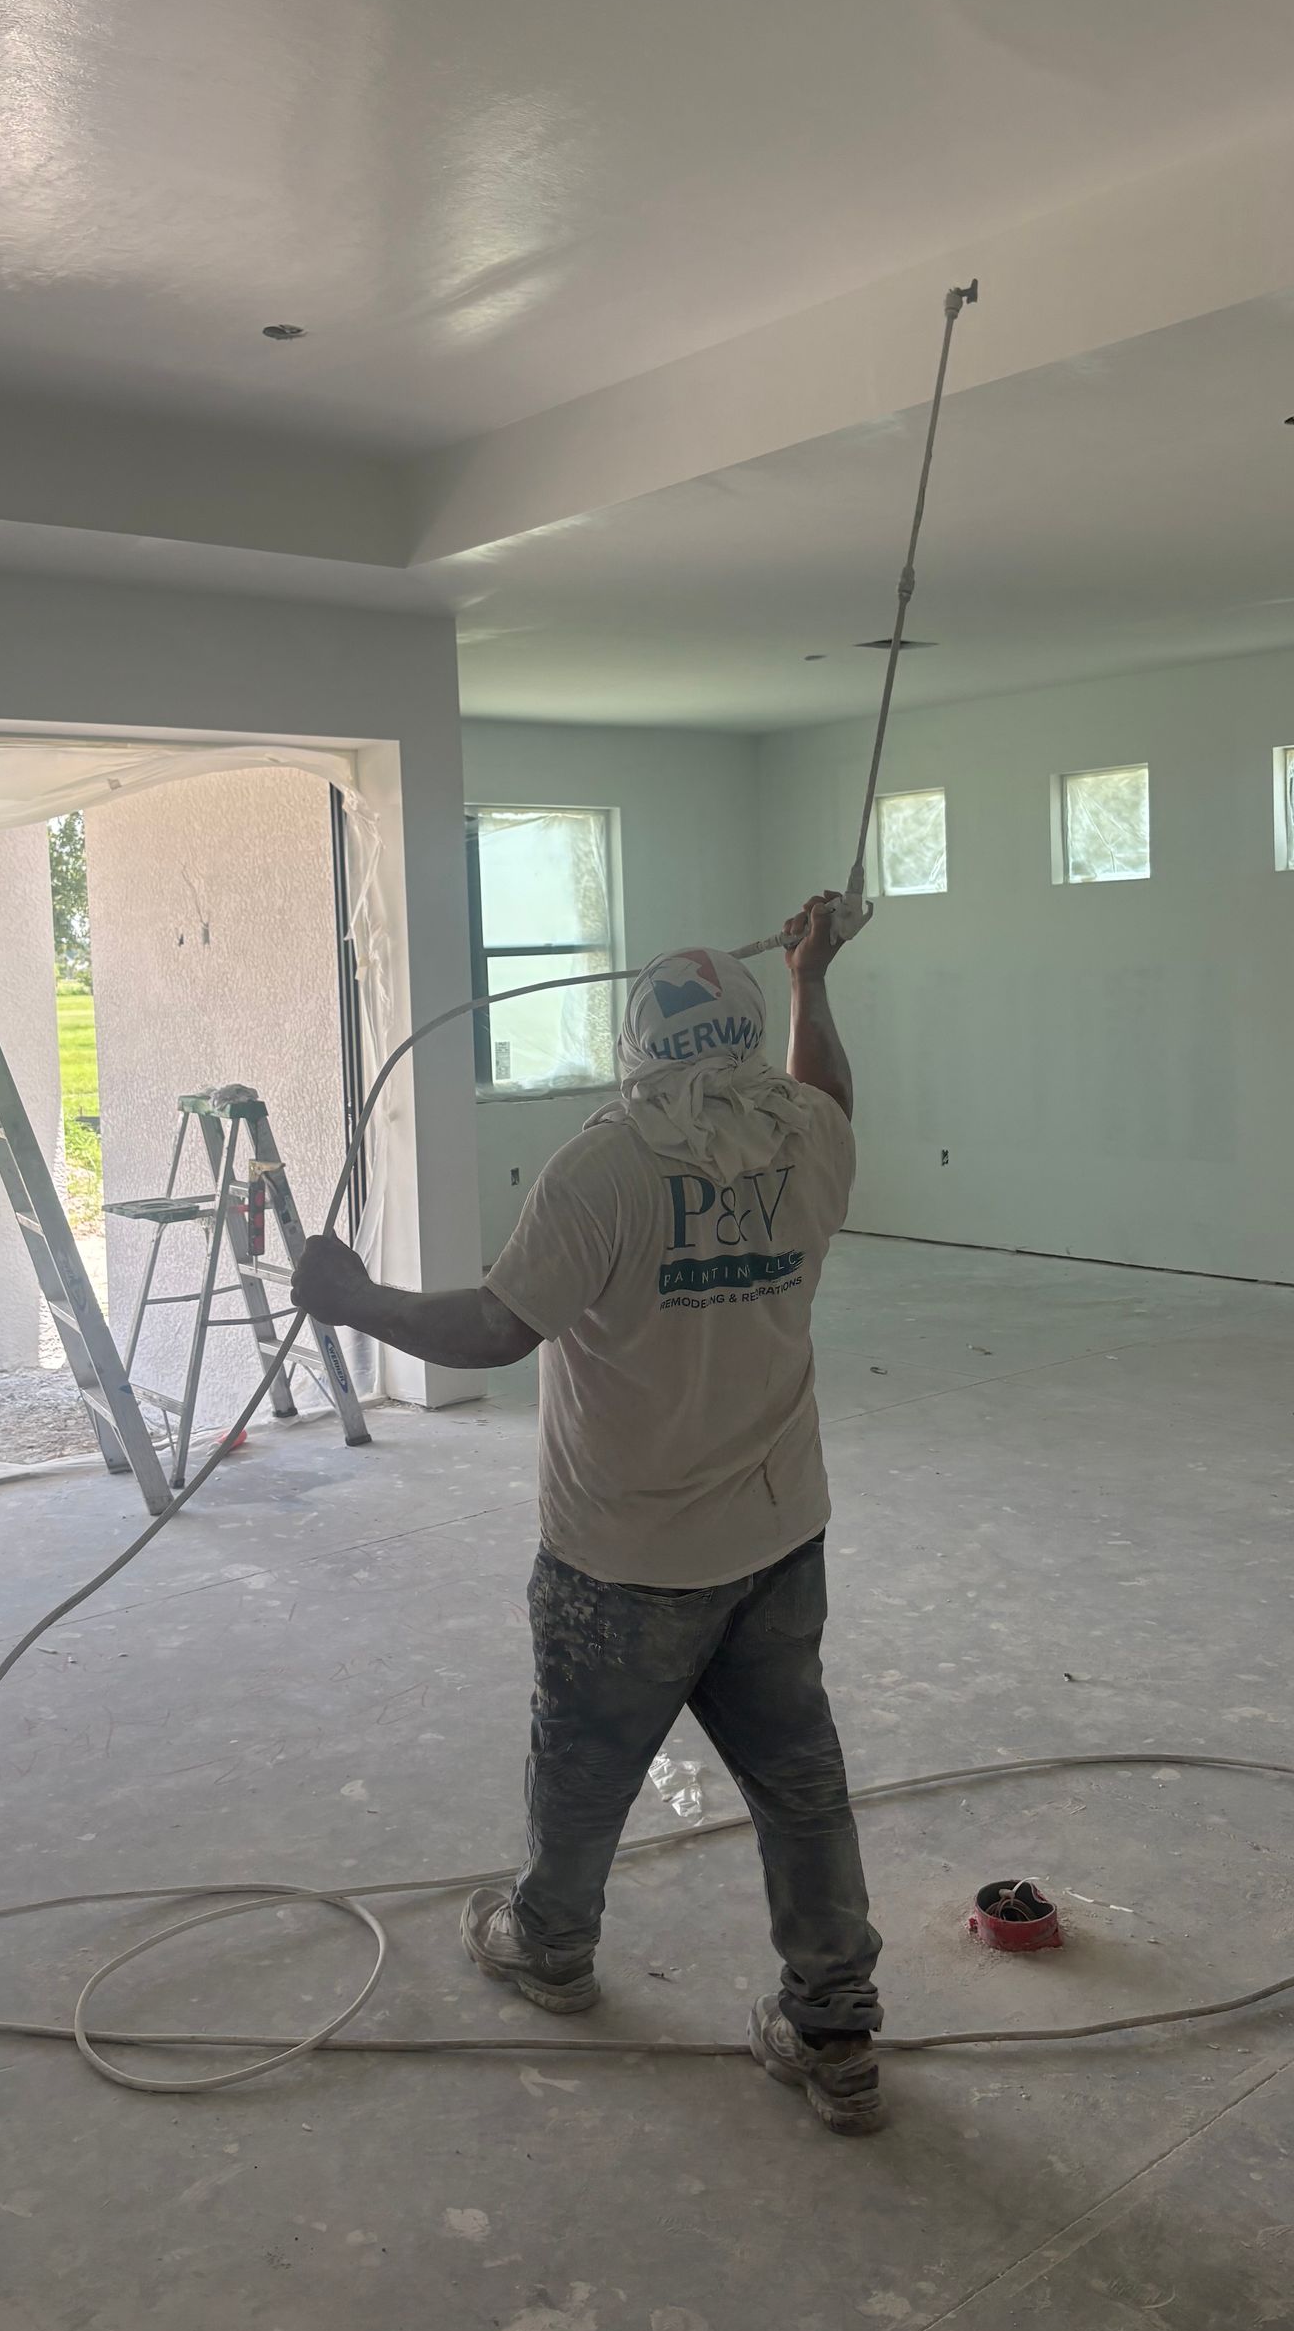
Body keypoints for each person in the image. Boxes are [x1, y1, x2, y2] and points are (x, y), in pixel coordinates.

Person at [288, 889, 884, 2134]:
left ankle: (550, 1946)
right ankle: (834, 2030)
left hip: (624, 1551)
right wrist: (814, 978)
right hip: (778, 1533)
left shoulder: (602, 1169)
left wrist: (355, 1301)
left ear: (637, 1045)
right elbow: (823, 1085)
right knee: (800, 1780)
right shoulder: (809, 1140)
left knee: (584, 1764)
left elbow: (499, 1328)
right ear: (745, 1030)